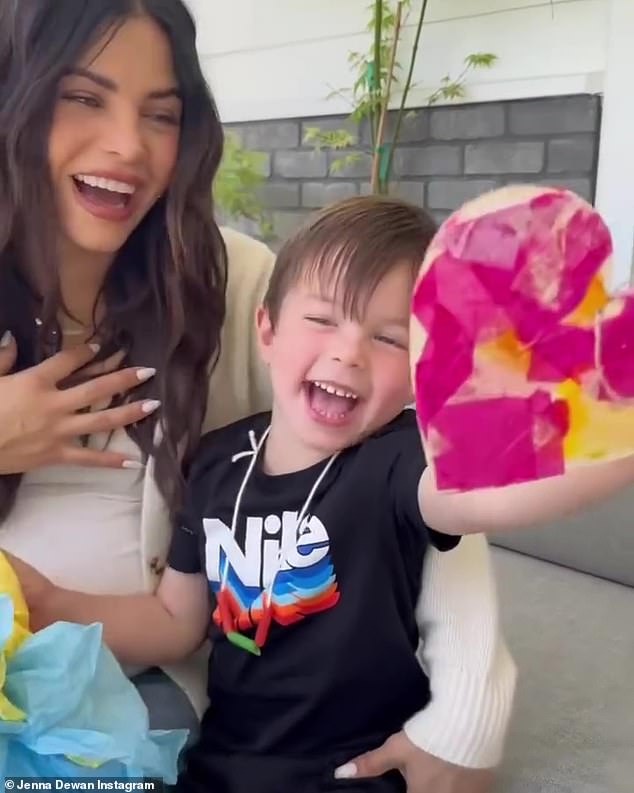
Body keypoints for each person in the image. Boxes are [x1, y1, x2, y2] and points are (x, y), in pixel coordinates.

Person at [0, 3, 516, 792]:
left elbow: (407, 470)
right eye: (83, 96)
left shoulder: (238, 284)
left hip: (142, 687)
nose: (127, 146)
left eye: (161, 114)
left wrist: (465, 717)